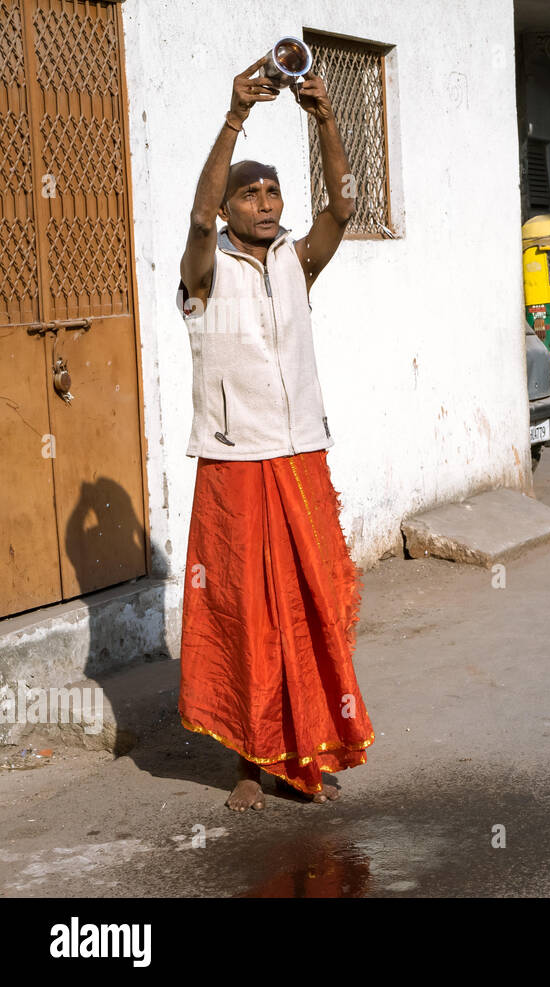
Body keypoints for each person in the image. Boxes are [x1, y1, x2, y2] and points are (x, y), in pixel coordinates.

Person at [176, 56, 375, 810]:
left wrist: (325, 117)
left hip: (301, 457)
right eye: (248, 193)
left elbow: (346, 208)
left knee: (311, 606)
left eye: (271, 190)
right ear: (227, 210)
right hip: (234, 465)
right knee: (244, 613)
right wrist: (234, 117)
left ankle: (310, 751)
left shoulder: (297, 262)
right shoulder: (204, 273)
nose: (263, 201)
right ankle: (246, 767)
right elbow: (196, 221)